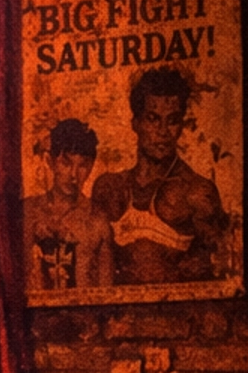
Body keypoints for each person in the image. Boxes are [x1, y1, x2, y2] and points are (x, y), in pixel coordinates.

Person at [90, 66, 226, 286]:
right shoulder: (108, 188)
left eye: (172, 120)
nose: (163, 131)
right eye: (153, 119)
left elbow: (217, 273)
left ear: (181, 126)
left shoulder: (197, 192)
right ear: (136, 123)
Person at [22, 116, 113, 293]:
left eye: (82, 166)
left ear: (92, 166)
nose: (73, 175)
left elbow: (107, 296)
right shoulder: (28, 212)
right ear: (50, 162)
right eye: (66, 163)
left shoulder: (98, 223)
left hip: (84, 319)